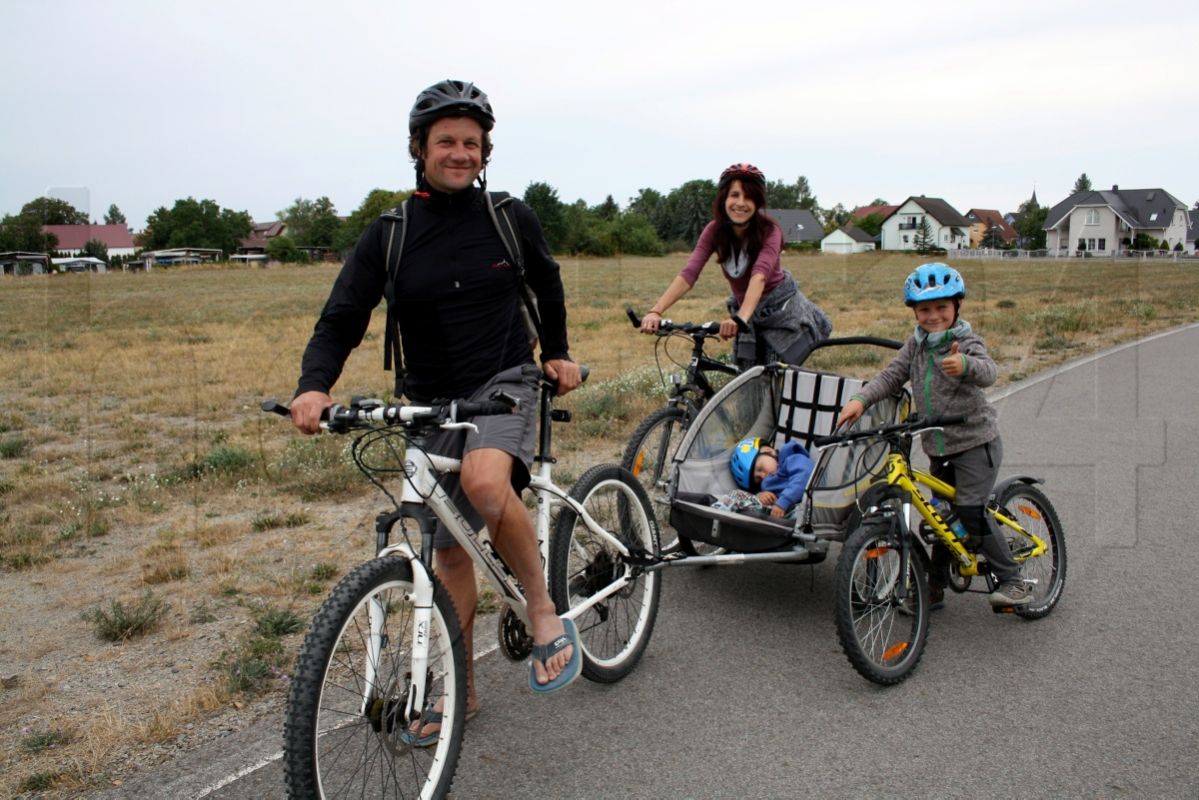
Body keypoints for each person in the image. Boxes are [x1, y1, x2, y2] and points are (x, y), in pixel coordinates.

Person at [290, 80, 585, 733]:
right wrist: (314, 385)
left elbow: (546, 280)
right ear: (419, 148)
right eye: (446, 141)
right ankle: (459, 690)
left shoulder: (508, 216)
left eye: (471, 143)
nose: (459, 153)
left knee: (484, 484)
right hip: (428, 400)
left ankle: (540, 605)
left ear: (485, 152)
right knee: (448, 554)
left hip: (503, 377)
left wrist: (557, 351)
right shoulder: (389, 234)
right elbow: (342, 316)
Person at [834, 263, 1029, 608]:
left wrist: (965, 366)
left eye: (942, 307)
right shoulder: (916, 345)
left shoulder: (965, 341)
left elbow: (989, 372)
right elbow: (892, 375)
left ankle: (1012, 579)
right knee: (941, 518)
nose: (934, 315)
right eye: (925, 309)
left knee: (969, 510)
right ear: (914, 312)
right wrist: (860, 400)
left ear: (957, 307)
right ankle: (933, 590)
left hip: (974, 444)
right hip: (939, 448)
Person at [639, 163, 831, 367]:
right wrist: (656, 311)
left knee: (772, 379)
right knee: (745, 381)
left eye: (748, 197)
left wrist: (740, 318)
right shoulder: (714, 231)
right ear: (724, 198)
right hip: (745, 311)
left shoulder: (770, 230)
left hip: (780, 312)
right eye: (735, 195)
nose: (740, 203)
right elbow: (690, 273)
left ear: (757, 202)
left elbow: (760, 276)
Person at [714, 437, 815, 519]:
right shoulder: (768, 481)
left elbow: (804, 478)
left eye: (760, 468)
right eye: (758, 479)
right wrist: (760, 495)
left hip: (804, 510)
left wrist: (782, 503)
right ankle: (717, 514)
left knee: (737, 495)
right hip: (777, 515)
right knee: (736, 494)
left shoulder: (793, 458)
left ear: (769, 451)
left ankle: (715, 514)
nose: (763, 476)